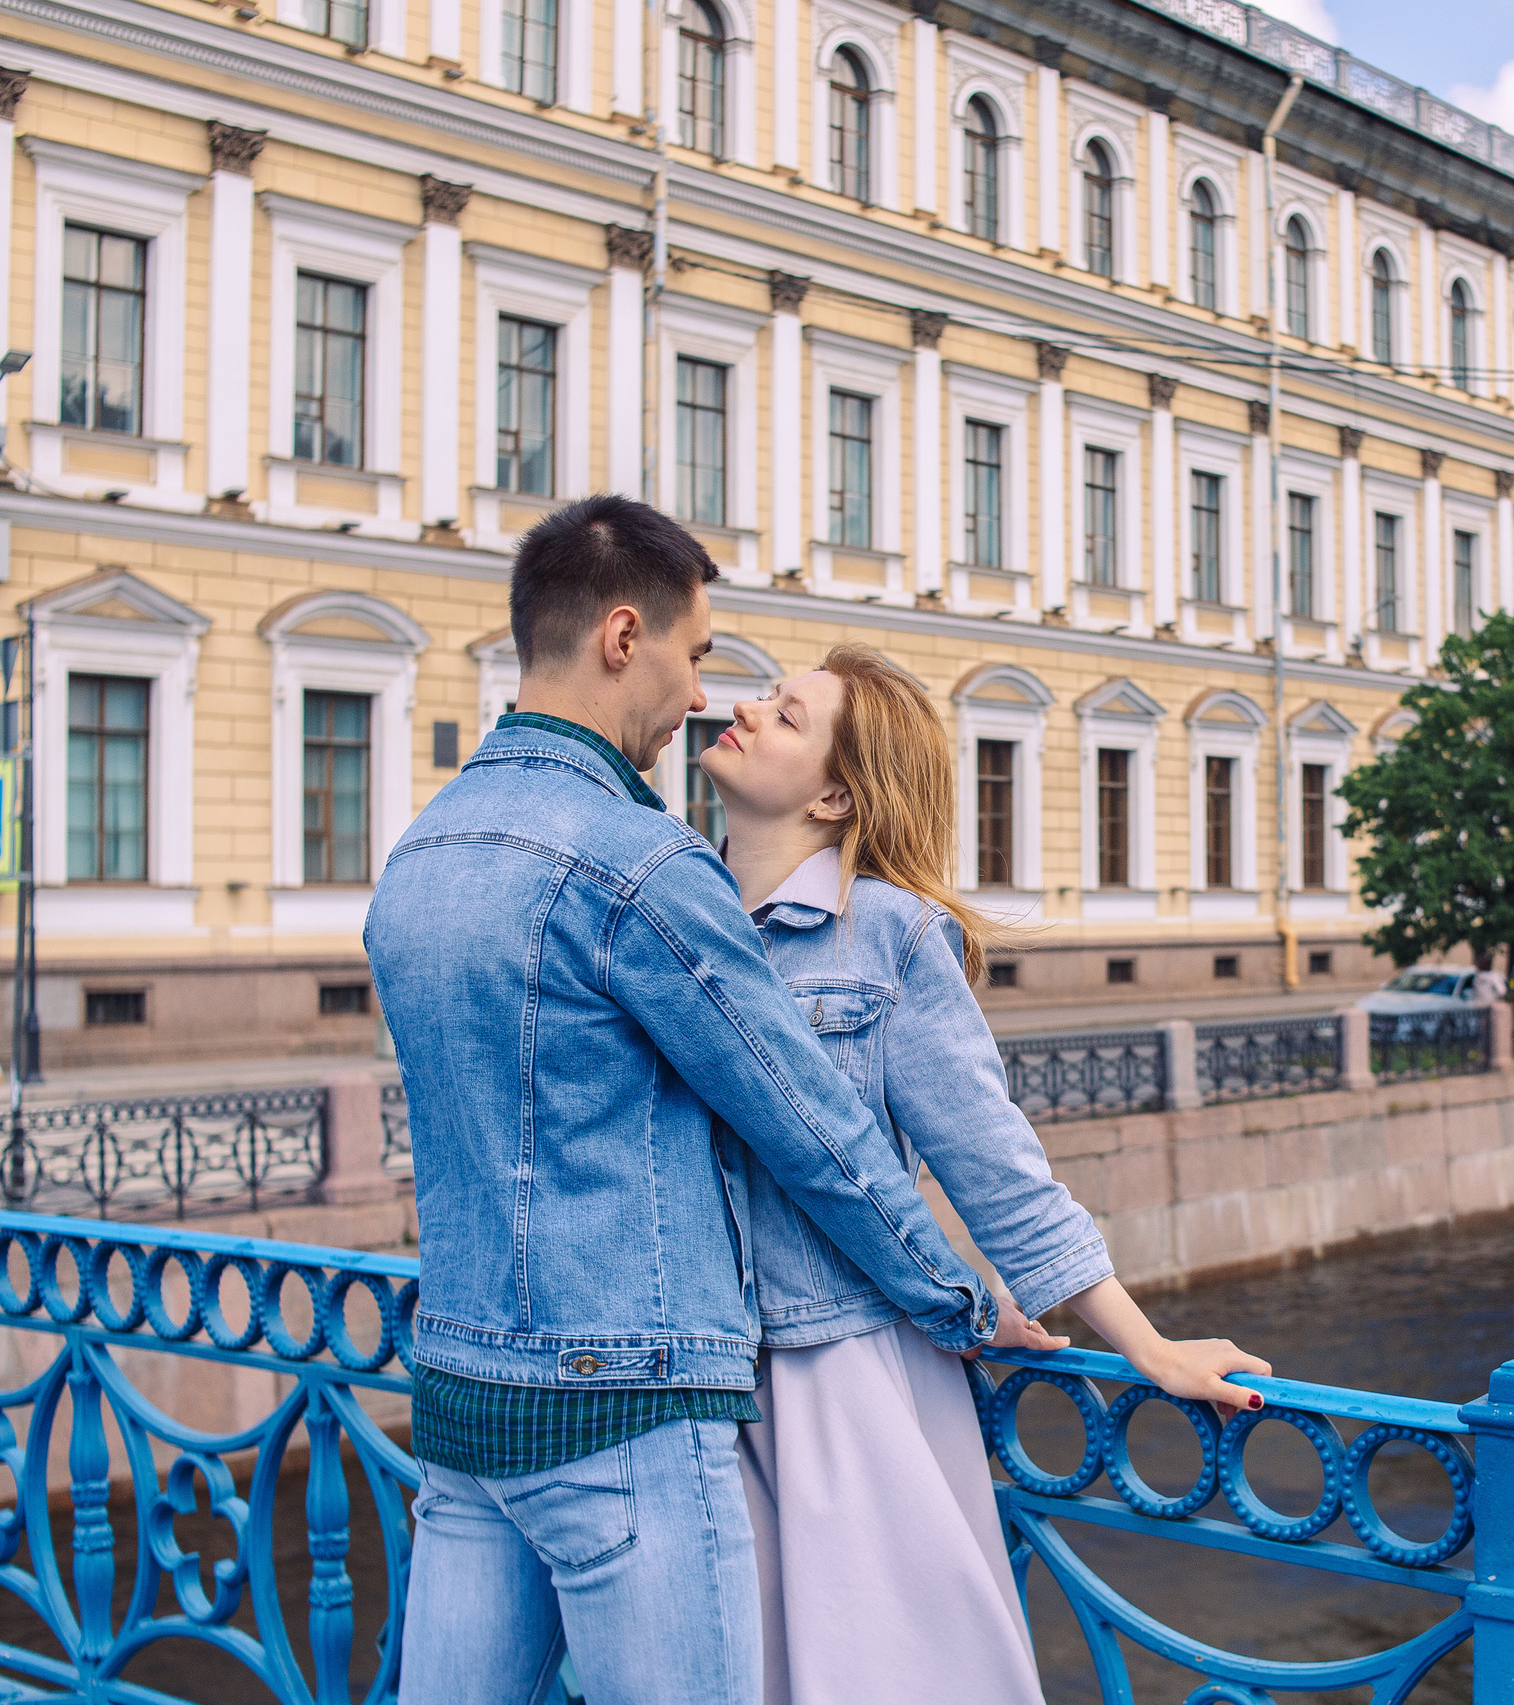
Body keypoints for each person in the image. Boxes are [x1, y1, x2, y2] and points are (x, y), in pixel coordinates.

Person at [365, 496, 1051, 1705]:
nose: (698, 698)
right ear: (622, 637)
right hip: (624, 1411)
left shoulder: (422, 852)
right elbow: (811, 1129)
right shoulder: (640, 861)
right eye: (693, 658)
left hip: (462, 1396)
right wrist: (956, 1299)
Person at [700, 646, 1268, 1705]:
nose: (746, 706)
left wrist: (1145, 1345)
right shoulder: (671, 914)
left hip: (841, 1376)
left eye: (785, 713)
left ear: (834, 795)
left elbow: (996, 1169)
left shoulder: (888, 936)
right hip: (690, 1371)